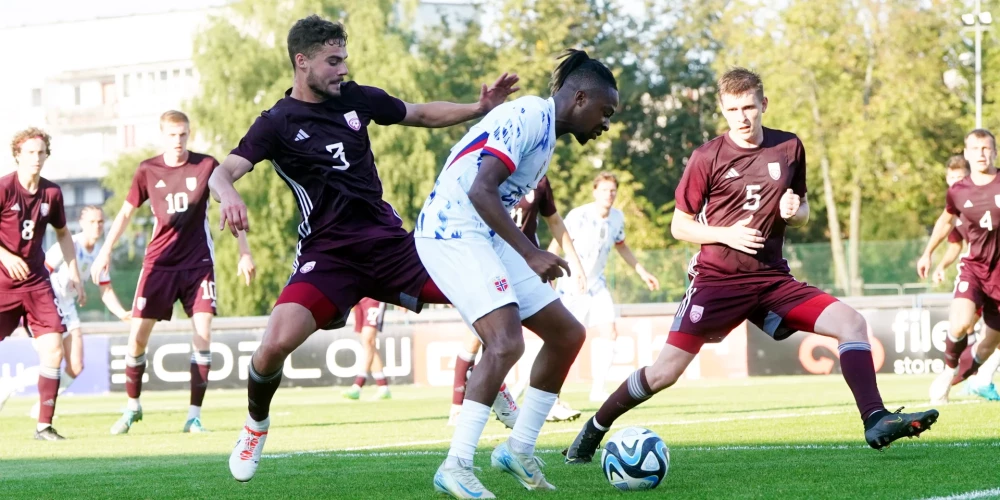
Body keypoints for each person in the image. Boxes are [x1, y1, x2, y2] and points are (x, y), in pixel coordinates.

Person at [563, 67, 938, 465]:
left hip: (773, 280)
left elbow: (803, 209)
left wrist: (797, 212)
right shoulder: (707, 156)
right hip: (717, 281)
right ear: (722, 110)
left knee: (852, 324)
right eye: (733, 109)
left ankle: (875, 419)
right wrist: (726, 234)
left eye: (749, 107)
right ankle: (594, 429)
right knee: (664, 373)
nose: (742, 117)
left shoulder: (789, 147)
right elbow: (679, 225)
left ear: (764, 104)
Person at [213, 15, 519, 483]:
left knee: (477, 289)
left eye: (344, 60)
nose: (341, 69)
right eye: (332, 61)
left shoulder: (356, 97)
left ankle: (490, 382)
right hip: (329, 256)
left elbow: (418, 113)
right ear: (303, 62)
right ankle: (255, 426)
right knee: (272, 346)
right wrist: (230, 194)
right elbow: (221, 171)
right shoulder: (275, 122)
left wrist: (477, 109)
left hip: (389, 246)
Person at [415, 49, 618, 498]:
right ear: (580, 98)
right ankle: (456, 465)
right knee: (506, 342)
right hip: (451, 229)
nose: (606, 124)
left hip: (483, 233)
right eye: (605, 112)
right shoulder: (527, 113)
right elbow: (480, 190)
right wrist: (530, 253)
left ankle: (518, 448)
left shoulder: (546, 135)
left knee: (568, 334)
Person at [92, 110, 256, 435]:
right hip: (159, 265)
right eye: (172, 135)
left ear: (189, 134)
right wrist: (105, 251)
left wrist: (244, 252)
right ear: (162, 136)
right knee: (137, 339)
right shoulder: (147, 170)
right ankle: (132, 407)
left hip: (198, 265)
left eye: (183, 135)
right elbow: (125, 213)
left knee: (203, 333)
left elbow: (230, 204)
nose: (178, 141)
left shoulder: (207, 166)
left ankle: (194, 416)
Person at [449, 175, 584, 426]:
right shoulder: (491, 170)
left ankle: (549, 402)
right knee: (482, 338)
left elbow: (554, 219)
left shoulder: (540, 179)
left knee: (564, 333)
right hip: (491, 262)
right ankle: (459, 406)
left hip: (529, 266)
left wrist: (575, 262)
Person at [0, 206, 131, 418]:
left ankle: (40, 406)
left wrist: (122, 313)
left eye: (100, 222)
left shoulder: (99, 253)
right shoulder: (69, 244)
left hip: (68, 308)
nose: (96, 226)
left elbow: (105, 289)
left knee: (76, 365)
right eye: (91, 222)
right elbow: (41, 272)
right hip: (45, 305)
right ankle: (9, 388)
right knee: (50, 361)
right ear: (81, 223)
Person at [0, 127, 84, 440]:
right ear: (17, 156)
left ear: (47, 155)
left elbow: (63, 234)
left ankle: (43, 426)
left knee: (54, 351)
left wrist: (74, 272)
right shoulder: (4, 188)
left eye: (41, 152)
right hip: (3, 284)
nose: (36, 158)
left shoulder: (52, 194)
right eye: (30, 153)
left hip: (37, 284)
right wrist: (5, 257)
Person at [550, 171, 660, 401]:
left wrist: (642, 272)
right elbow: (557, 242)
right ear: (594, 192)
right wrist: (548, 275)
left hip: (596, 283)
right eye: (604, 190)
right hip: (572, 283)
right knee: (563, 340)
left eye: (612, 191)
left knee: (609, 331)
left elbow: (622, 246)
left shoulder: (617, 218)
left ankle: (598, 390)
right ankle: (551, 394)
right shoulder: (578, 215)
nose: (608, 195)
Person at [918, 129, 1000, 403]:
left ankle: (962, 379)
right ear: (966, 154)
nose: (981, 153)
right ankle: (948, 370)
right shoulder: (958, 191)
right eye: (975, 149)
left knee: (988, 345)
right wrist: (928, 253)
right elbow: (945, 222)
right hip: (974, 268)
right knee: (960, 323)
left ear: (995, 152)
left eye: (986, 148)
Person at [341, 298, 391, 400]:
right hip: (359, 298)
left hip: (375, 297)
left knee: (368, 340)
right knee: (367, 343)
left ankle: (358, 385)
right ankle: (383, 387)